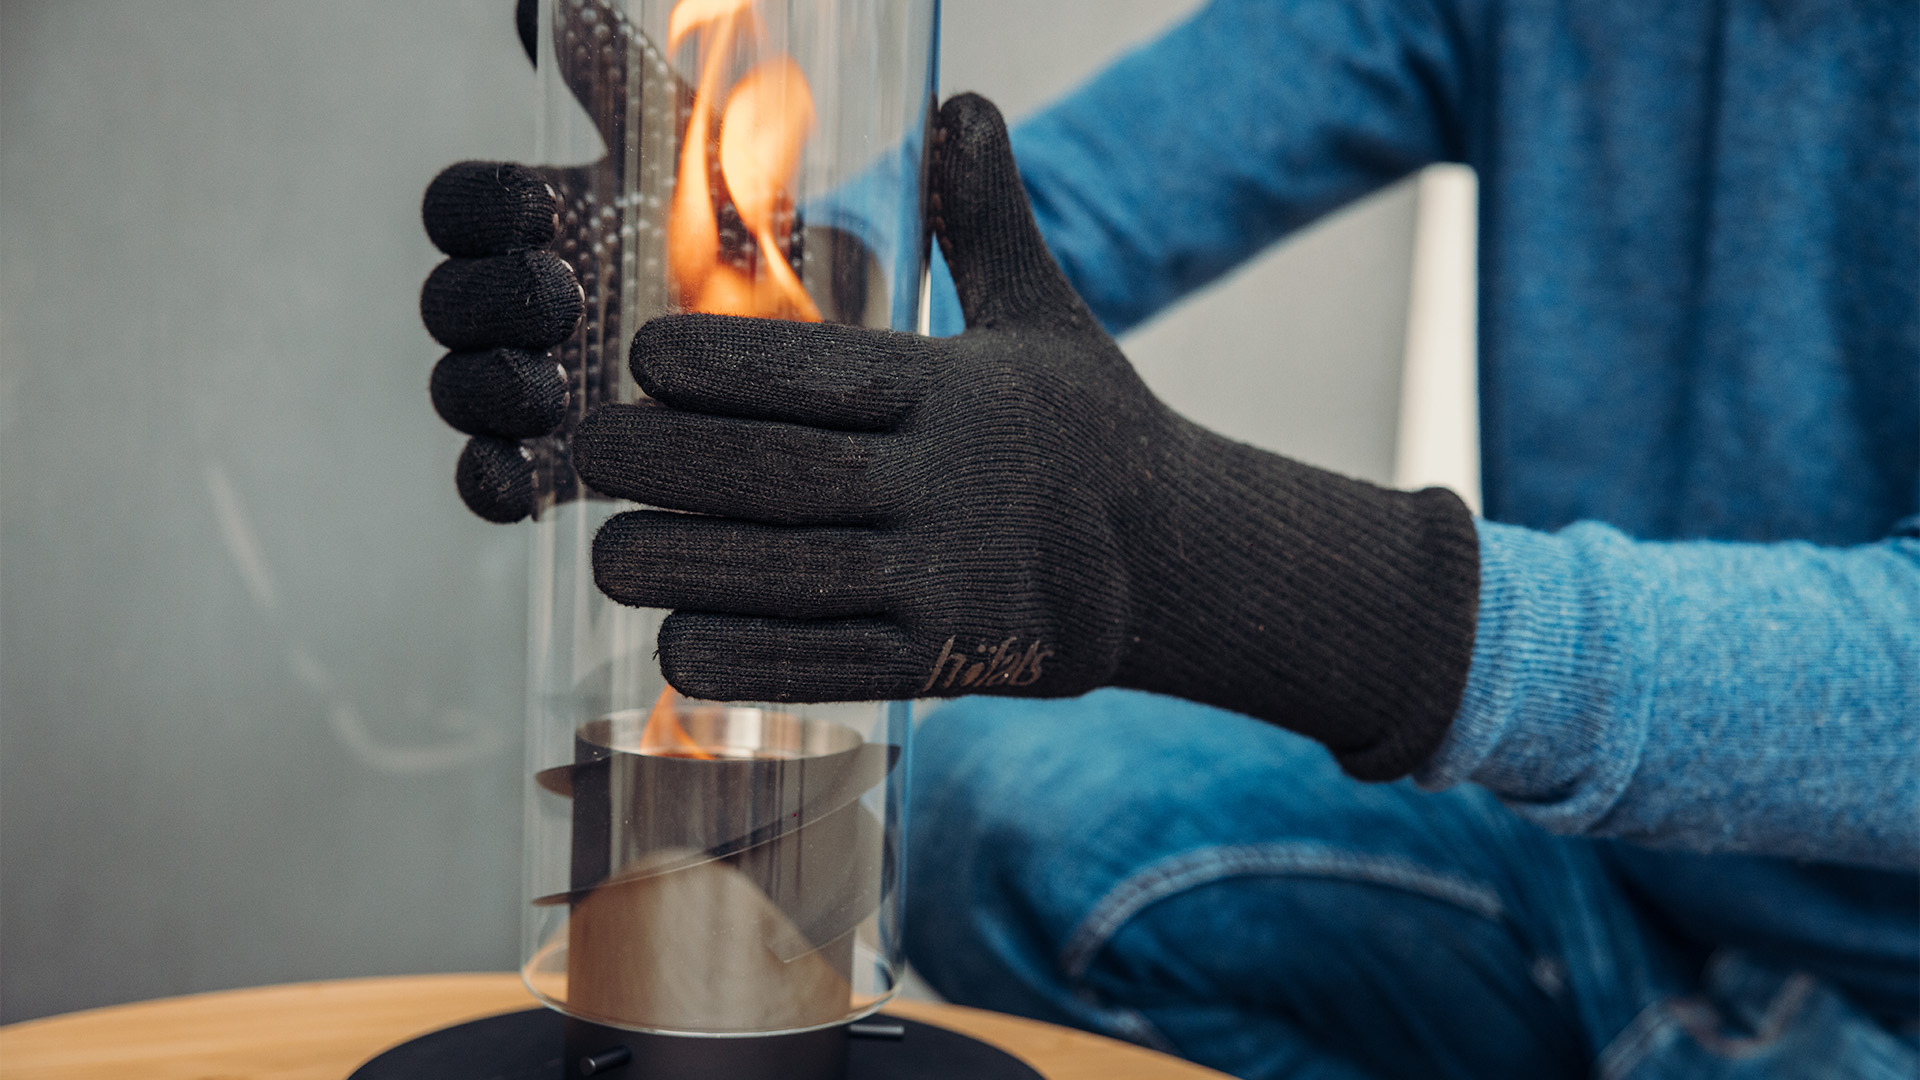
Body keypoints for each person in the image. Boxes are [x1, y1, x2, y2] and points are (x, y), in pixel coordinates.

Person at [417, 1, 1918, 1076]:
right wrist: (769, 284)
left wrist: (1245, 571)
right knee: (1013, 809)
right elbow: (1109, 184)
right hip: (1612, 891)